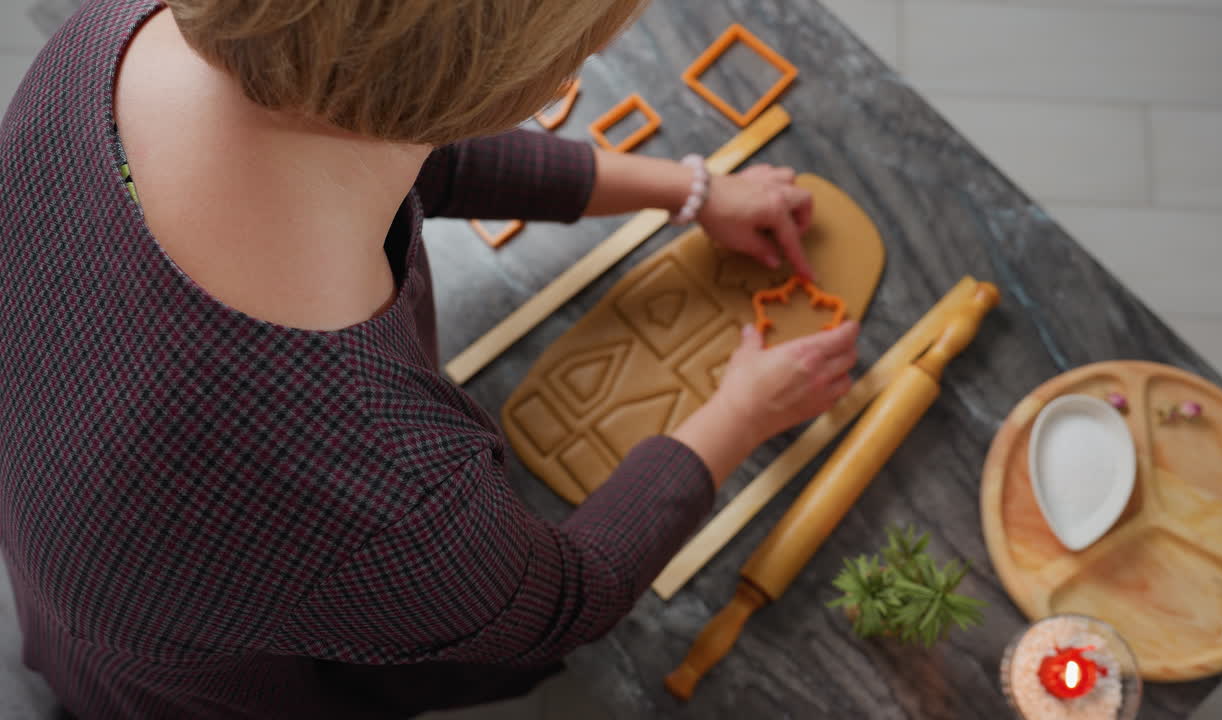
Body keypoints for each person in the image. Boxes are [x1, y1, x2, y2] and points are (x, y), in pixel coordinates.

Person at [0, 0, 860, 717]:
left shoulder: (107, 38)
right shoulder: (387, 484)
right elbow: (562, 600)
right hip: (187, 683)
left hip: (86, 544)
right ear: (545, 82)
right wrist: (741, 412)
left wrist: (687, 189)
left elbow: (407, 142)